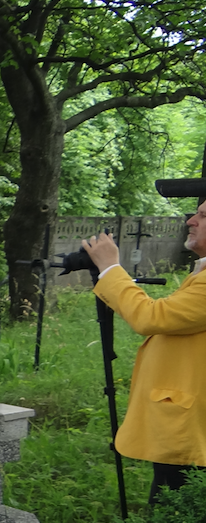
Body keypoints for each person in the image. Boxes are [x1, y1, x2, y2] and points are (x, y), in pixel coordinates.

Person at [84, 205, 206, 502]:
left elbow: (151, 317)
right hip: (188, 419)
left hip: (193, 427)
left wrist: (111, 268)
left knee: (175, 514)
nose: (191, 220)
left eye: (204, 216)